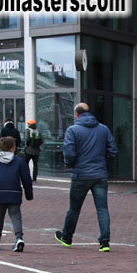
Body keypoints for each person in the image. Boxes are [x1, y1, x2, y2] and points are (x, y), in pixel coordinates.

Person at [54, 103, 117, 252]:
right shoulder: (103, 129)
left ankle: (67, 237)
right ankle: (105, 242)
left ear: (76, 114)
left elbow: (69, 153)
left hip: (80, 174)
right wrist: (103, 162)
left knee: (74, 208)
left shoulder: (72, 130)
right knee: (102, 209)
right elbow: (113, 150)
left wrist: (71, 164)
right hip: (99, 174)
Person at [0, 135, 33, 252]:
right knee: (16, 216)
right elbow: (26, 179)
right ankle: (19, 237)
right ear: (12, 148)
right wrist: (29, 194)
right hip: (14, 193)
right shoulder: (19, 161)